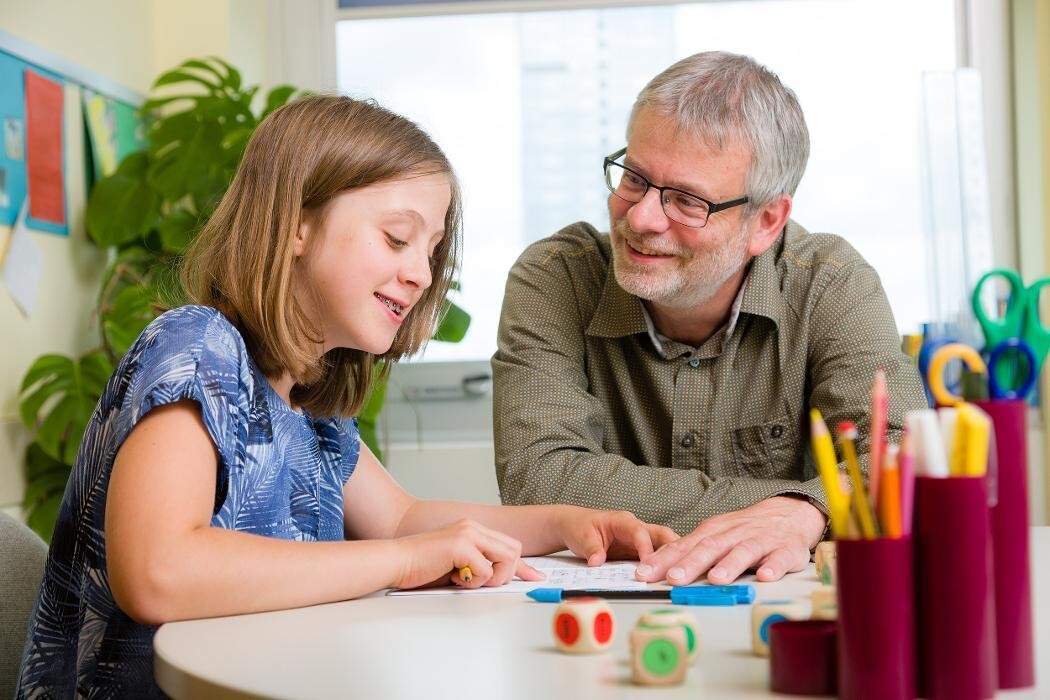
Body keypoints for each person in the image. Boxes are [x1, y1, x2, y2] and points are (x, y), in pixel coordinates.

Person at [16, 95, 676, 698]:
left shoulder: (311, 405)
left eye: (432, 248)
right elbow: (158, 571)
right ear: (296, 224)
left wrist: (566, 525)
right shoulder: (196, 349)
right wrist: (409, 559)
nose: (420, 273)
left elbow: (401, 518)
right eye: (396, 237)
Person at [492, 51, 927, 588]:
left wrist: (804, 513)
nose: (642, 218)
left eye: (687, 201)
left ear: (765, 221)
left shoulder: (831, 283)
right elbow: (539, 479)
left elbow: (901, 457)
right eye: (634, 178)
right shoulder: (556, 276)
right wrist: (804, 504)